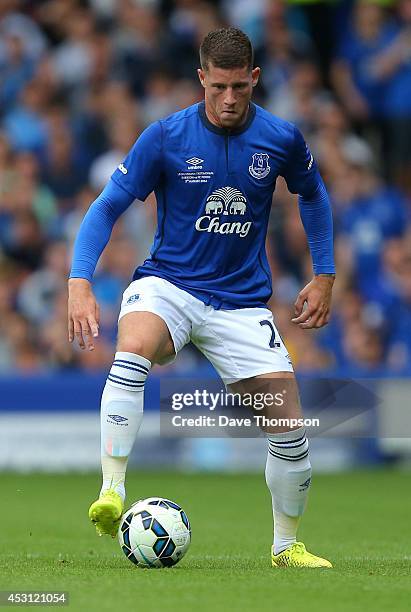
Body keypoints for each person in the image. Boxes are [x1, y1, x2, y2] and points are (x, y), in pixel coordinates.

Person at [68, 28, 335, 569]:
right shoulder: (166, 136)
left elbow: (314, 196)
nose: (230, 99)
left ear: (255, 78)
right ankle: (112, 489)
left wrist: (324, 274)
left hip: (240, 304)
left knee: (291, 434)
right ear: (201, 79)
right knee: (134, 344)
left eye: (240, 86)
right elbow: (106, 207)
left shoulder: (282, 138)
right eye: (219, 87)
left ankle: (286, 547)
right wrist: (79, 280)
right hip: (170, 285)